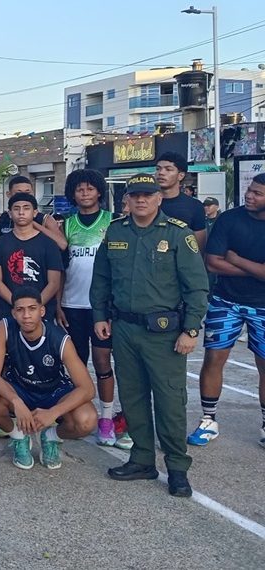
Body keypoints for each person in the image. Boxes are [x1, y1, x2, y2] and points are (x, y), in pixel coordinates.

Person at [91, 173, 209, 497]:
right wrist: (100, 316)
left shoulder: (177, 235)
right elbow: (101, 279)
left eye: (148, 194)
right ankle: (142, 459)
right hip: (125, 330)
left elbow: (197, 287)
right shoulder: (116, 231)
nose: (141, 200)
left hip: (165, 334)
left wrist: (192, 329)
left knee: (170, 401)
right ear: (127, 199)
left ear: (159, 198)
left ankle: (177, 468)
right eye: (135, 195)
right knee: (133, 397)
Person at [0, 287, 97, 470]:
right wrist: (16, 402)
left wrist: (54, 412)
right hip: (20, 389)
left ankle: (51, 436)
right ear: (14, 313)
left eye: (32, 309)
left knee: (87, 419)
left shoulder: (60, 339)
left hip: (53, 392)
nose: (26, 315)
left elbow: (88, 388)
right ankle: (19, 436)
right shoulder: (5, 327)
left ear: (42, 311)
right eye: (20, 310)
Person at [189, 174, 265, 448]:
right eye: (250, 190)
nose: (249, 195)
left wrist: (235, 259)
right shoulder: (229, 219)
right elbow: (212, 263)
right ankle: (209, 420)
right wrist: (255, 270)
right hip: (225, 301)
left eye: (257, 193)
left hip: (263, 305)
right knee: (213, 359)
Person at [56, 170, 126, 449]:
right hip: (72, 306)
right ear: (72, 194)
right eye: (79, 190)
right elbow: (60, 269)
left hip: (100, 308)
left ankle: (107, 419)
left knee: (102, 364)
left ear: (98, 192)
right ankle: (77, 413)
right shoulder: (67, 225)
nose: (84, 194)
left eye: (89, 189)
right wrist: (58, 303)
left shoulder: (112, 222)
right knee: (74, 365)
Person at [0, 193, 63, 324]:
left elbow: (54, 283)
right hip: (8, 309)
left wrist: (35, 306)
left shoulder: (49, 244)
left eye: (26, 208)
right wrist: (18, 306)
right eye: (16, 209)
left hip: (41, 311)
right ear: (10, 213)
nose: (21, 212)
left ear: (35, 213)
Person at [0, 176, 67, 250]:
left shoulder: (45, 219)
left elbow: (62, 244)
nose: (23, 196)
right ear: (8, 194)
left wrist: (32, 224)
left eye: (27, 193)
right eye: (18, 193)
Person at [155, 151, 207, 251]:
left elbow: (198, 249)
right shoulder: (145, 203)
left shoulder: (194, 206)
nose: (161, 173)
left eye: (168, 169)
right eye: (158, 169)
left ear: (181, 175)